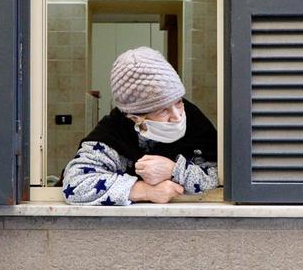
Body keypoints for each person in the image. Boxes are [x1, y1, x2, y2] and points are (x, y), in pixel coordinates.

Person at [62, 47, 219, 205]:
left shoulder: (194, 121)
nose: (177, 116)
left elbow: (220, 176)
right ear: (135, 118)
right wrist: (144, 190)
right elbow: (75, 184)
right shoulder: (114, 132)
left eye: (178, 103)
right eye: (163, 111)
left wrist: (174, 170)